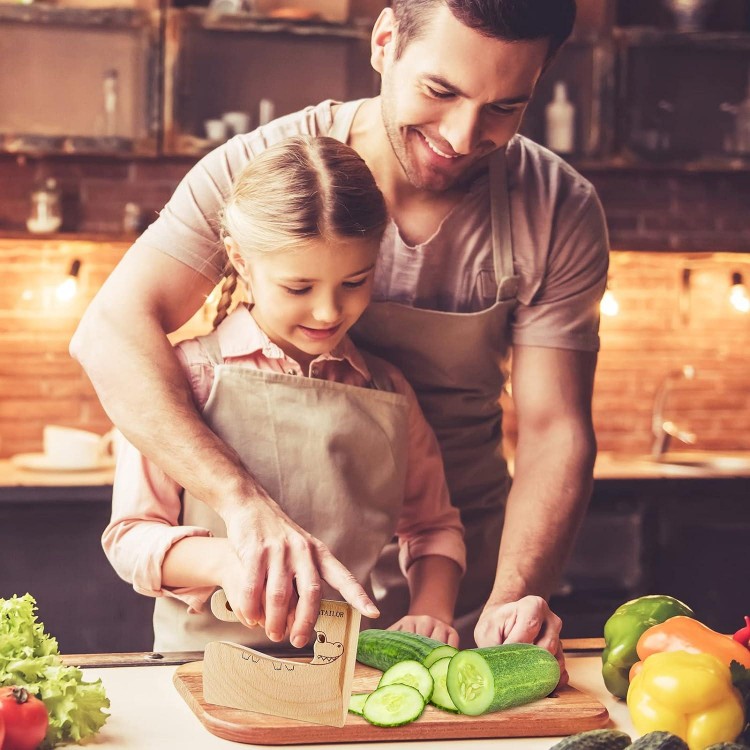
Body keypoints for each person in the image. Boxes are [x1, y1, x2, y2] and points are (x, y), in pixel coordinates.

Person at [73, 0, 608, 678]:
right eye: (440, 91)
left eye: (505, 107)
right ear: (385, 43)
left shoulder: (560, 208)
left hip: (454, 593)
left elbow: (555, 428)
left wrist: (513, 595)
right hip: (232, 629)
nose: (463, 135)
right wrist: (245, 515)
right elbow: (110, 332)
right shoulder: (263, 173)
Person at [101, 135, 466, 652]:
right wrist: (227, 562)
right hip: (199, 674)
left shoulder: (388, 392)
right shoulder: (185, 378)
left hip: (344, 679)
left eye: (355, 282)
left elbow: (433, 527)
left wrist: (431, 610)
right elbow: (131, 537)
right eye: (299, 288)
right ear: (241, 261)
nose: (328, 312)